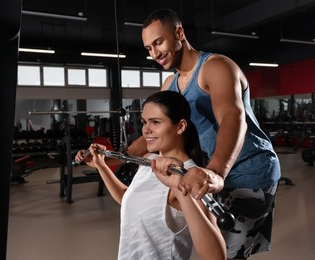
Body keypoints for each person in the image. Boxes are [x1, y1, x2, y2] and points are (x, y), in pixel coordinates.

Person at [126, 8, 281, 260]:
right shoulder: (170, 85)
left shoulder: (216, 67)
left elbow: (233, 117)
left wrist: (215, 172)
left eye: (158, 42)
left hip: (248, 171)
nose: (154, 53)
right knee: (207, 245)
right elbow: (158, 128)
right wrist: (118, 155)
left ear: (179, 33)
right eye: (148, 48)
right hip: (208, 174)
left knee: (224, 254)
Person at [77, 91, 226, 260]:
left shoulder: (191, 177)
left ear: (180, 126)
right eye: (144, 122)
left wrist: (179, 189)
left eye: (155, 122)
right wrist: (101, 166)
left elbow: (216, 257)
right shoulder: (150, 161)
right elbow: (129, 198)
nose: (146, 130)